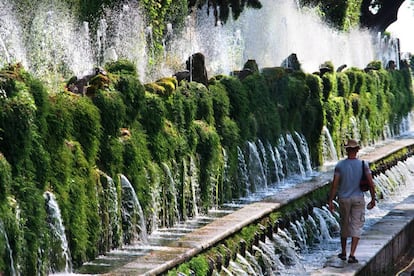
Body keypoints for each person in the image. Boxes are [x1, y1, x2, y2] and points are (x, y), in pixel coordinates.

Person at [328, 139, 376, 263]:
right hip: (358, 198)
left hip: (343, 199)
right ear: (357, 150)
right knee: (356, 225)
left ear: (347, 150)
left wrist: (331, 201)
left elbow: (334, 185)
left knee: (344, 224)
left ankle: (343, 252)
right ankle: (352, 255)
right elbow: (371, 183)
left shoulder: (340, 165)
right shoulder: (363, 165)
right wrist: (373, 198)